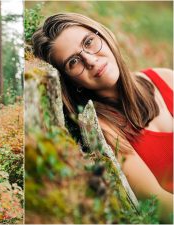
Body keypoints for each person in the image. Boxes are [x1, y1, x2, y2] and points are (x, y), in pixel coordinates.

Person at [31, 13, 173, 223]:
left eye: (89, 42)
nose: (90, 60)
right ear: (70, 81)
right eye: (73, 62)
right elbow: (159, 204)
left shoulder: (166, 78)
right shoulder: (105, 130)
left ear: (104, 36)